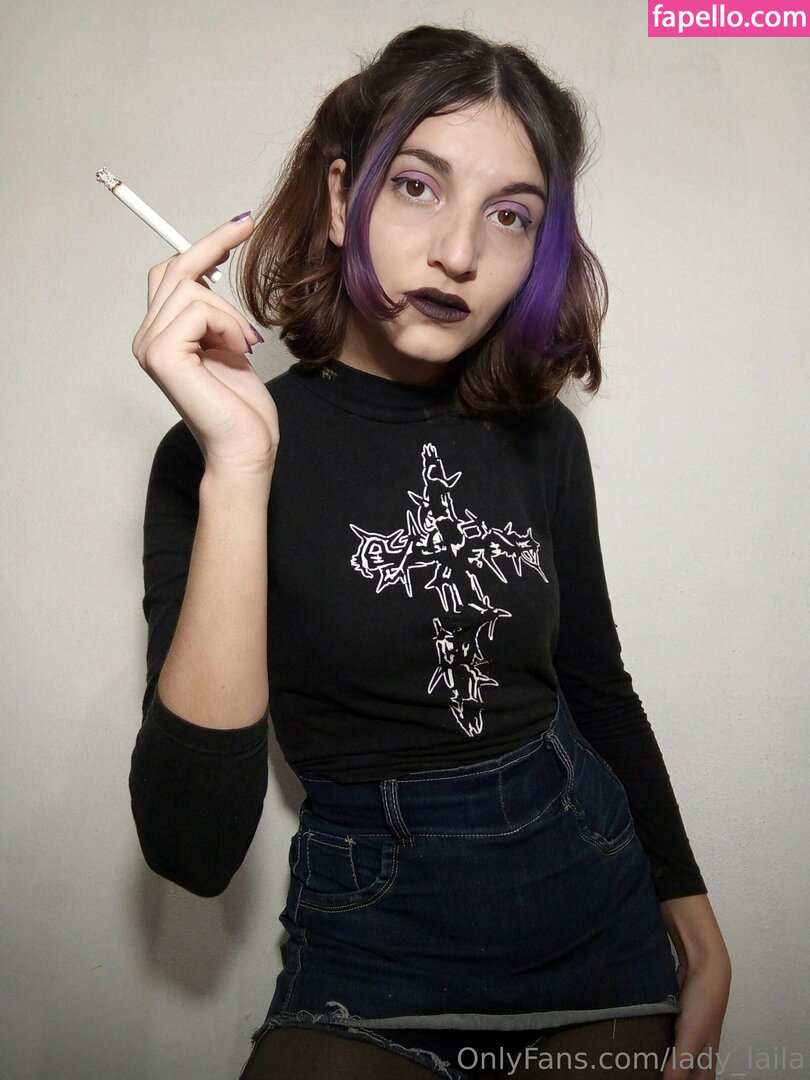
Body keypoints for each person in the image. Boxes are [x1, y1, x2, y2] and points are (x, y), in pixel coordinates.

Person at [128, 25, 731, 1080]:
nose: (460, 252)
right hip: (371, 927)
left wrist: (694, 916)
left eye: (511, 215)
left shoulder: (544, 438)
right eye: (416, 186)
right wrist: (240, 469)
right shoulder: (216, 456)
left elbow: (595, 682)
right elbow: (194, 850)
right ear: (338, 198)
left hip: (592, 899)